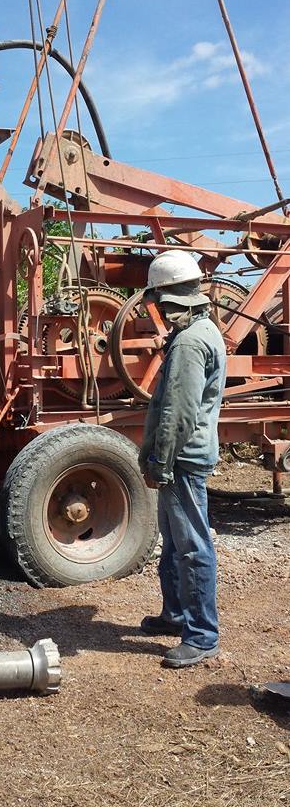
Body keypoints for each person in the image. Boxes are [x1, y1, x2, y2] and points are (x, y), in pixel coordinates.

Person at [138, 250, 227, 670]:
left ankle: (202, 635)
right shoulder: (201, 330)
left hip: (184, 460)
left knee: (191, 546)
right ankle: (175, 615)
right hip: (185, 456)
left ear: (167, 297)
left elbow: (177, 410)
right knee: (174, 542)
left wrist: (161, 461)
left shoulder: (190, 341)